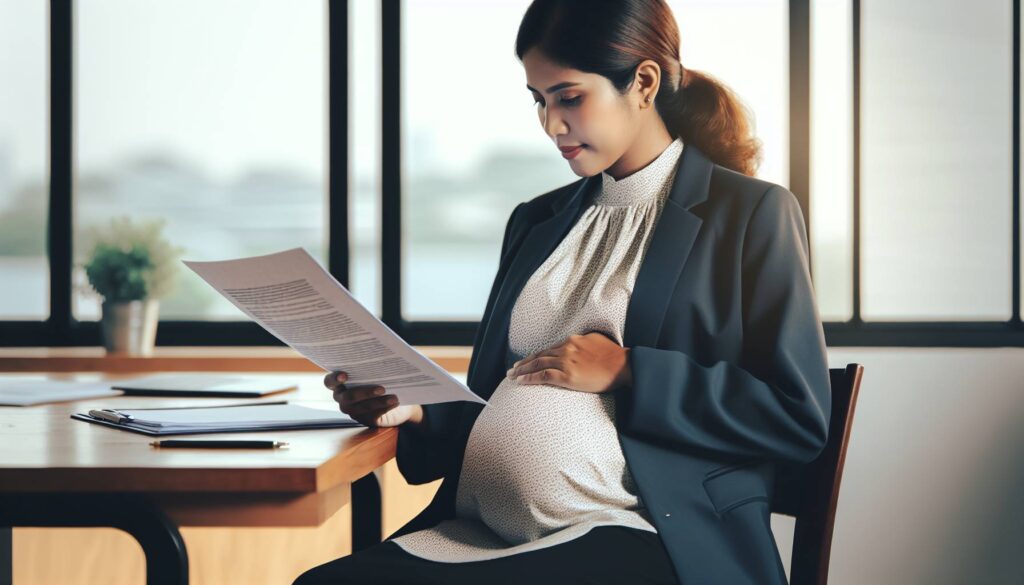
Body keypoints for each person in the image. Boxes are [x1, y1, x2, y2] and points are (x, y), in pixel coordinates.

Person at [294, 0, 831, 583]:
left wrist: (629, 370)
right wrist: (416, 410)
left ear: (644, 82)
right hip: (479, 530)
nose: (551, 124)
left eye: (570, 97)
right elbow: (496, 395)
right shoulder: (536, 221)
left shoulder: (752, 214)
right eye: (539, 100)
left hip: (645, 531)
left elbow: (795, 415)